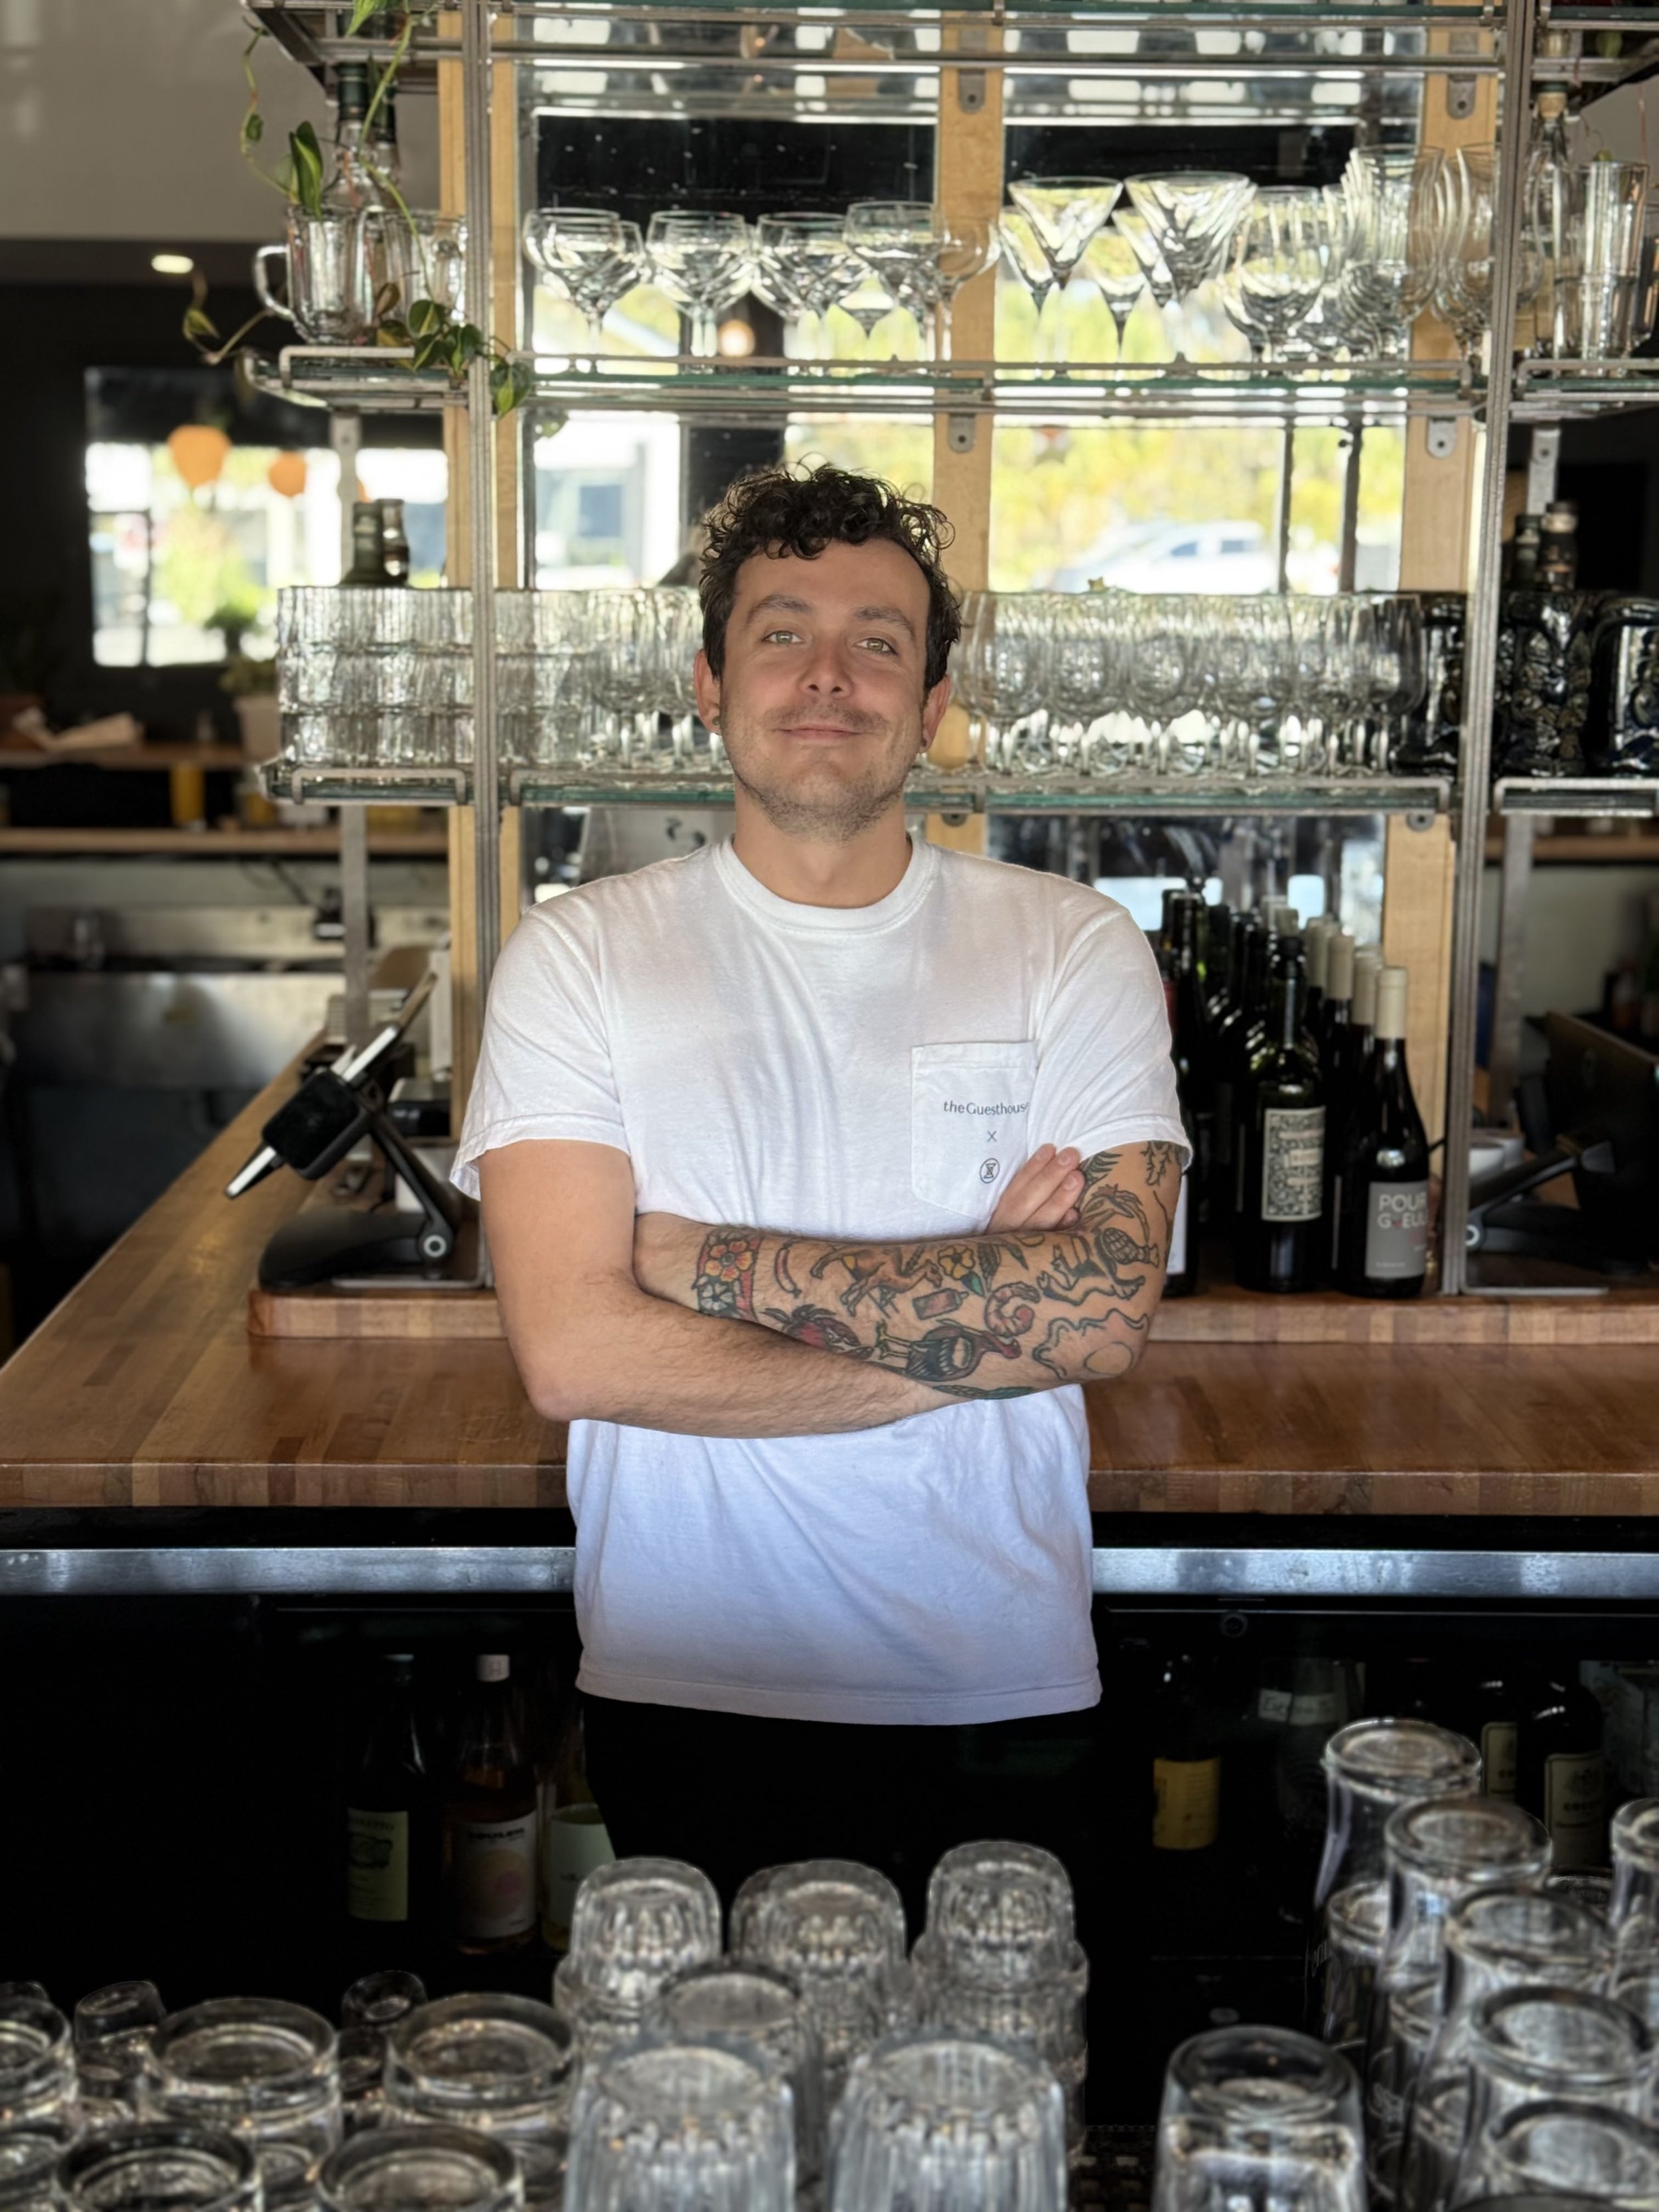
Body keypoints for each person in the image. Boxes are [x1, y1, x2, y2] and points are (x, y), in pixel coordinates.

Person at [451, 463, 1189, 1913]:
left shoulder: (1071, 944)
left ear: (932, 704)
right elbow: (575, 1352)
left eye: (879, 640)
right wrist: (986, 1321)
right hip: (689, 1680)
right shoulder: (579, 956)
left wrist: (690, 1259)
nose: (828, 674)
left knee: (1004, 2062)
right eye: (781, 632)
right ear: (709, 683)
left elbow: (1101, 1314)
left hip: (999, 1674)